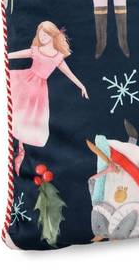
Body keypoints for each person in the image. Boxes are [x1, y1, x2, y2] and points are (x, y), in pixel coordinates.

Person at [9, 21, 89, 175]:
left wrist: (81, 86)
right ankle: (18, 145)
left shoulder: (58, 57)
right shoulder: (36, 50)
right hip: (25, 81)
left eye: (46, 34)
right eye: (40, 34)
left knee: (31, 116)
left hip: (39, 90)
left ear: (53, 35)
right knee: (20, 111)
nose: (43, 37)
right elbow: (15, 54)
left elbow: (69, 73)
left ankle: (21, 149)